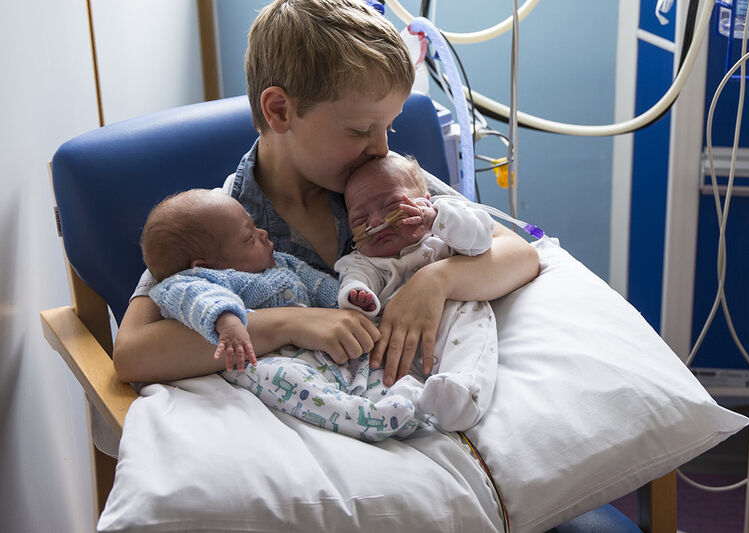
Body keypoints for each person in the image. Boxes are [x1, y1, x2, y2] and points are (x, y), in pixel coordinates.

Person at [113, 0, 539, 399]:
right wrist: (291, 323)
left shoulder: (379, 181)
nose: (379, 148)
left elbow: (518, 253)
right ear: (279, 110)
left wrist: (436, 281)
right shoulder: (223, 222)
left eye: (388, 127)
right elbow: (133, 351)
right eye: (359, 130)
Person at [141, 188, 420, 441]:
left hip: (317, 351)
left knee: (363, 364)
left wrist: (352, 302)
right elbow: (199, 297)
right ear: (207, 265)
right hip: (261, 358)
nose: (263, 234)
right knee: (293, 383)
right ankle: (363, 419)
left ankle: (403, 408)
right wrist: (227, 320)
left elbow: (320, 286)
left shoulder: (283, 264)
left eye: (256, 226)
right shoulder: (193, 281)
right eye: (250, 237)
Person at [335, 153, 498, 430]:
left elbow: (481, 238)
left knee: (471, 326)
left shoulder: (440, 233)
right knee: (376, 362)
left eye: (392, 206)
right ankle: (404, 401)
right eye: (360, 219)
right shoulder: (365, 260)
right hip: (398, 339)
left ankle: (462, 392)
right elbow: (353, 278)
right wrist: (357, 294)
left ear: (424, 199)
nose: (375, 222)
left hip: (452, 317)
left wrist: (436, 218)